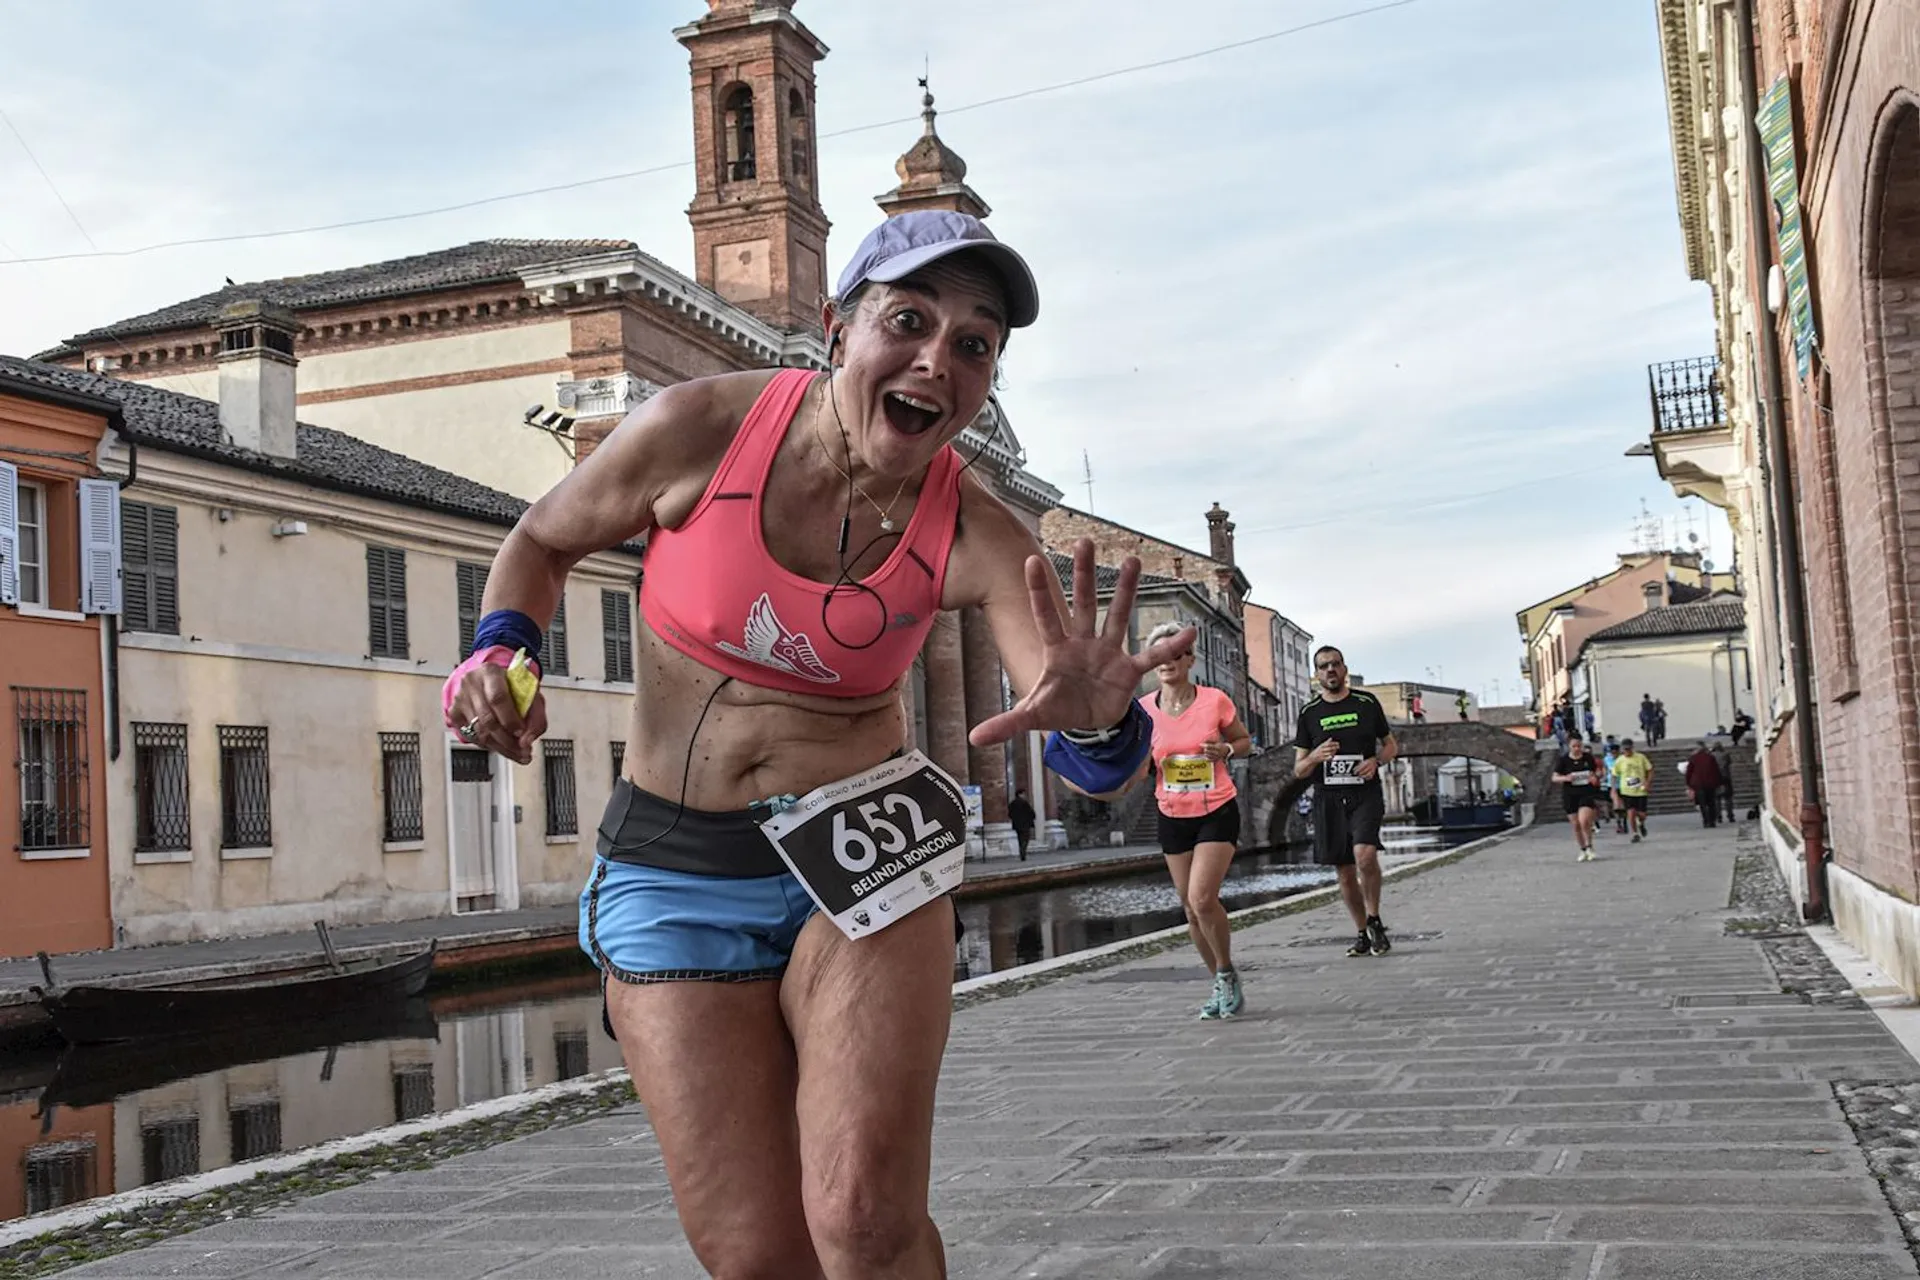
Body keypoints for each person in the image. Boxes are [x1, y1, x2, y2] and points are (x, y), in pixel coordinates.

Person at [443, 210, 1192, 1279]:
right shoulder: (696, 427)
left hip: (861, 857)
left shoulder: (977, 529)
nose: (939, 356)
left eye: (975, 343)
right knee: (756, 1255)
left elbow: (1086, 749)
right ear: (840, 328)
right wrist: (498, 654)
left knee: (861, 1218)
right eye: (909, 318)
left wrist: (1096, 716)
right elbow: (542, 539)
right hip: (675, 864)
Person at [1141, 620, 1254, 1019]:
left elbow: (1244, 742)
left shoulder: (1214, 700)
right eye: (1158, 654)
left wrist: (1224, 749)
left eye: (1175, 652)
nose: (1167, 660)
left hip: (1216, 809)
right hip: (1172, 813)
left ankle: (1226, 971)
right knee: (1189, 910)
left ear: (1189, 658)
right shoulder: (1142, 711)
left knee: (1201, 898)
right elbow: (1138, 764)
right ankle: (1219, 982)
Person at [1294, 646, 1398, 957]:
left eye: (1335, 665)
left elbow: (1391, 745)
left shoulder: (1366, 703)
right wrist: (1314, 756)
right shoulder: (1309, 713)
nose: (1330, 670)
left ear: (1344, 669)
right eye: (1323, 666)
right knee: (1344, 870)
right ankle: (1361, 931)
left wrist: (1376, 761)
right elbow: (1298, 769)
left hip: (1364, 792)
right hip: (1328, 797)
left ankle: (1375, 918)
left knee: (1364, 855)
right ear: (1316, 675)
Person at [1553, 735, 1603, 861]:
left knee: (1584, 820)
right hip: (1570, 794)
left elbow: (1598, 771)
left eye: (1579, 746)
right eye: (1574, 746)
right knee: (1576, 825)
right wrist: (1566, 778)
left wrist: (1595, 777)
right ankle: (1583, 849)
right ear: (1569, 747)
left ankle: (1590, 846)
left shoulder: (1587, 758)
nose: (1577, 749)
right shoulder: (1563, 760)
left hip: (1586, 792)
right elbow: (1554, 777)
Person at [1612, 736, 1653, 842]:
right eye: (1625, 749)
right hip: (1626, 790)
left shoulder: (1640, 757)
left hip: (1640, 790)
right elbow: (1614, 775)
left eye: (1629, 749)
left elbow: (1650, 770)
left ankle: (1641, 823)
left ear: (1632, 748)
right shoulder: (1619, 761)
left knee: (1642, 814)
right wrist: (1613, 789)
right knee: (1630, 812)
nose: (1627, 751)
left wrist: (1648, 782)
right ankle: (1635, 833)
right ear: (1622, 749)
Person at [1685, 741, 1724, 828]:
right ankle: (1712, 821)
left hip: (1698, 784)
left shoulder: (1693, 758)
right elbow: (1716, 770)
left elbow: (1689, 772)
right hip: (1710, 783)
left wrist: (1688, 783)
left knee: (1703, 804)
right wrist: (1719, 782)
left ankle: (1706, 821)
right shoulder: (1710, 757)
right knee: (1711, 803)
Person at [1710, 741, 1737, 823]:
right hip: (1726, 777)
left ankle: (1719, 817)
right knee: (1728, 798)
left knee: (1717, 799)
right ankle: (1730, 815)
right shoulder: (1726, 754)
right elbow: (1729, 763)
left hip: (1715, 778)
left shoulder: (1711, 755)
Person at [1008, 788, 1036, 862]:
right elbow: (1031, 813)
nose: (1025, 795)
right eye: (1023, 794)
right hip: (1025, 824)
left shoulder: (1012, 803)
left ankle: (1021, 851)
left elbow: (1010, 814)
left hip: (1017, 825)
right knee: (1026, 839)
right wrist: (1031, 818)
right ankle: (1023, 852)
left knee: (1020, 839)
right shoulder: (1025, 803)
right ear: (1020, 794)